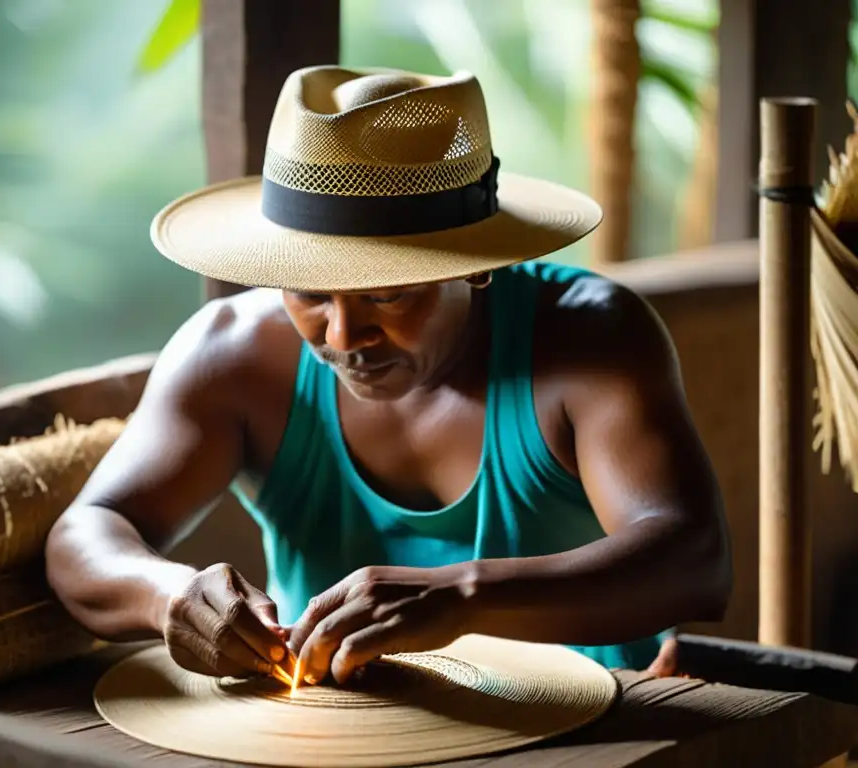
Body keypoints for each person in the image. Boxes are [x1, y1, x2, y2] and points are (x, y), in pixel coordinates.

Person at [45, 65, 731, 688]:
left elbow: (694, 560)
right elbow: (86, 535)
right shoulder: (232, 355)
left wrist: (462, 595)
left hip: (593, 736)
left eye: (386, 295)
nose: (343, 338)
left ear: (474, 261)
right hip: (333, 741)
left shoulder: (589, 338)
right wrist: (170, 595)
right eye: (309, 292)